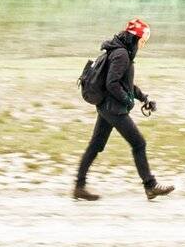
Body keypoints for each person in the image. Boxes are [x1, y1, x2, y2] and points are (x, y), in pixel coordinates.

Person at [73, 18, 175, 202]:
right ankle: (150, 186)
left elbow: (125, 84)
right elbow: (112, 84)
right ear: (136, 37)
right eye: (144, 39)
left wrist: (144, 97)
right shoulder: (122, 55)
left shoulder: (120, 51)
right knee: (139, 143)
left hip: (106, 107)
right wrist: (128, 101)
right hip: (113, 109)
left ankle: (79, 187)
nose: (144, 43)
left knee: (95, 146)